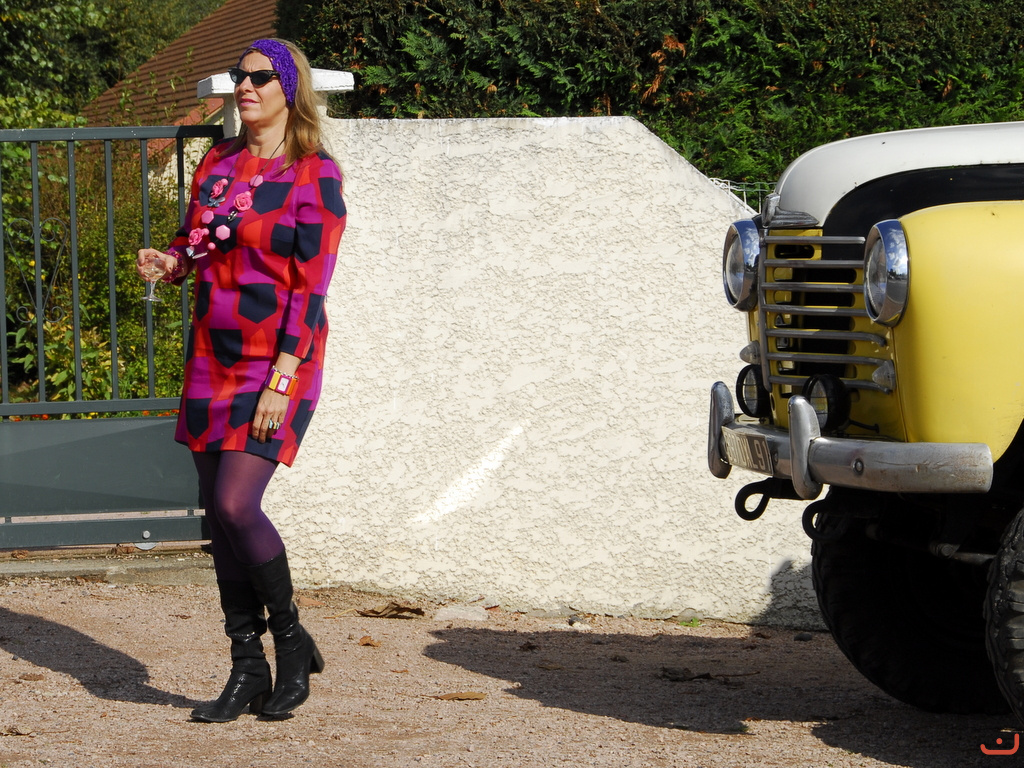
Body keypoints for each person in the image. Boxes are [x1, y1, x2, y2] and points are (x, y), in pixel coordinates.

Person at [137, 38, 346, 722]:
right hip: (212, 356)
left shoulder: (315, 174)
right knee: (215, 515)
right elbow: (196, 241)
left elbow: (311, 289)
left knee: (236, 504)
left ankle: (291, 643)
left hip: (277, 361)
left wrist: (281, 380)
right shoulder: (220, 163)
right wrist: (171, 263)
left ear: (290, 89)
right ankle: (246, 665)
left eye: (259, 77)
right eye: (239, 76)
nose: (245, 86)